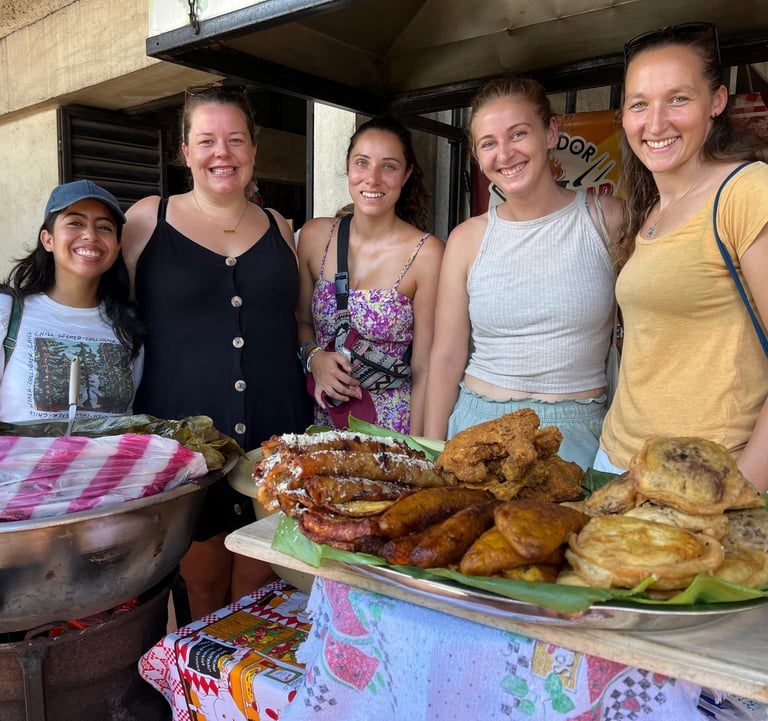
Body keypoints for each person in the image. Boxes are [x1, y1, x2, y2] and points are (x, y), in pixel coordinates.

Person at [121, 84, 313, 619]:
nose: (221, 153)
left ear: (253, 150)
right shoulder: (146, 220)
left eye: (235, 139)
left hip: (274, 438)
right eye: (206, 140)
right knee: (201, 595)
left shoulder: (280, 227)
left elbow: (299, 321)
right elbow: (107, 315)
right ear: (185, 152)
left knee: (259, 593)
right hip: (186, 449)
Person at [594, 22, 768, 493]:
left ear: (717, 101)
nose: (655, 123)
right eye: (639, 104)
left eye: (678, 98)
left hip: (703, 480)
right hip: (617, 463)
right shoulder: (650, 207)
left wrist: (739, 492)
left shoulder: (746, 190)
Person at [423, 76, 624, 470]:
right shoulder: (466, 239)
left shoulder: (608, 219)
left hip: (576, 435)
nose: (505, 153)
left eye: (518, 134)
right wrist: (432, 452)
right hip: (477, 429)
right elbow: (446, 356)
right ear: (478, 157)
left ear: (550, 133)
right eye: (488, 143)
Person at [296, 114, 444, 435]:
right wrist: (314, 358)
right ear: (348, 168)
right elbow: (301, 322)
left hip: (395, 427)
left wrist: (418, 448)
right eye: (362, 163)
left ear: (406, 175)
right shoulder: (313, 236)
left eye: (388, 166)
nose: (372, 178)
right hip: (326, 423)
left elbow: (425, 367)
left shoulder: (427, 254)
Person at [0, 179, 143, 422]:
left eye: (104, 227)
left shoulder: (128, 325)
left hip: (109, 461)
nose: (90, 235)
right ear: (48, 240)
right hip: (24, 461)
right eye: (75, 223)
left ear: (118, 247)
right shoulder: (8, 311)